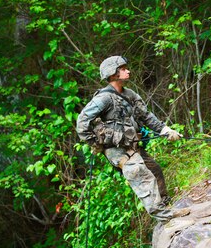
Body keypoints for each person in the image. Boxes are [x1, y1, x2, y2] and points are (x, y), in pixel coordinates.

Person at [76, 55, 190, 222]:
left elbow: (145, 116)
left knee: (154, 170)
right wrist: (94, 142)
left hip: (133, 145)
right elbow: (82, 122)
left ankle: (166, 208)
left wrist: (165, 130)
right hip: (116, 150)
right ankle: (166, 220)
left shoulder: (130, 94)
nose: (127, 71)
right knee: (141, 174)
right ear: (113, 74)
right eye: (122, 69)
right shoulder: (104, 98)